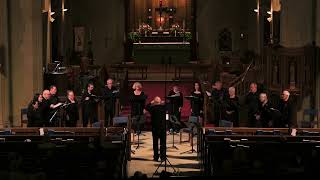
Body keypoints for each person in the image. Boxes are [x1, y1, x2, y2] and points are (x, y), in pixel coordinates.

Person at [145, 96, 166, 162]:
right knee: (163, 143)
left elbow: (146, 107)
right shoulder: (164, 107)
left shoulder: (152, 108)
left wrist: (151, 102)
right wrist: (163, 103)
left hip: (155, 127)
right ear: (160, 101)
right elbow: (169, 105)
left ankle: (156, 157)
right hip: (163, 127)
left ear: (154, 102)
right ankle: (163, 157)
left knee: (155, 143)